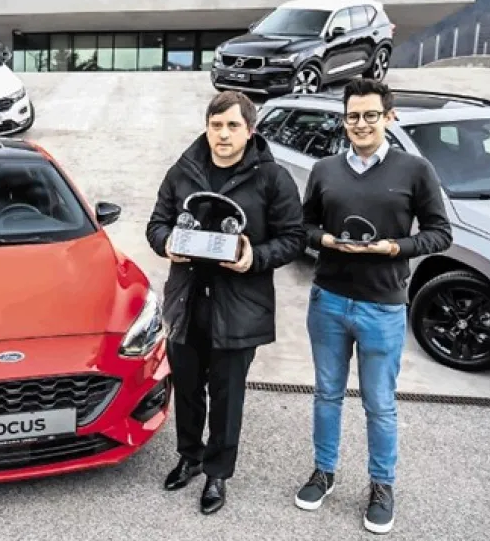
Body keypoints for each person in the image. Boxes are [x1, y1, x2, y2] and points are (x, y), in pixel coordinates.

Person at [293, 78, 452, 534]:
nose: (360, 124)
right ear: (343, 120)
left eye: (370, 115)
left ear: (388, 116)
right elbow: (303, 226)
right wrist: (324, 240)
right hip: (328, 299)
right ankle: (324, 472)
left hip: (382, 305)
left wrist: (396, 248)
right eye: (352, 116)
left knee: (379, 403)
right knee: (327, 393)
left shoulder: (416, 170)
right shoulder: (324, 169)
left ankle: (382, 485)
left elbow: (440, 233)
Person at [146, 90, 305, 514]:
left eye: (233, 125)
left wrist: (256, 257)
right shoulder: (183, 171)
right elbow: (156, 224)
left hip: (239, 305)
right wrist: (167, 243)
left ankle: (218, 472)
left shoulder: (273, 178)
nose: (223, 134)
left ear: (249, 130)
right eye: (216, 125)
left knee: (227, 394)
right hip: (187, 300)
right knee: (188, 388)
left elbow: (293, 238)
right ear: (206, 127)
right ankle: (190, 456)